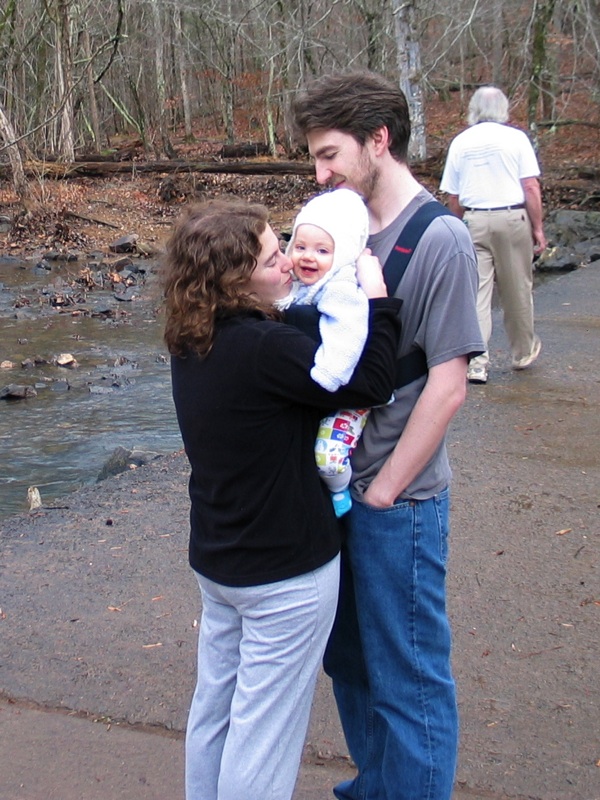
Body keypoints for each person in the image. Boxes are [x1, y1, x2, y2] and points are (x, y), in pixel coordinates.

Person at [162, 198, 401, 800]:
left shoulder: (193, 336)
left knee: (215, 708)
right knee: (264, 731)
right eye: (274, 257)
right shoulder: (269, 349)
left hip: (219, 561)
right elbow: (370, 382)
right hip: (285, 571)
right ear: (237, 279)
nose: (290, 264)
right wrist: (376, 303)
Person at [293, 71, 485, 800]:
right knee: (348, 662)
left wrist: (382, 495)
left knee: (408, 676)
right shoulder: (339, 231)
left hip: (393, 504)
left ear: (379, 140)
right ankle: (376, 786)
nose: (320, 173)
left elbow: (448, 385)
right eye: (314, 159)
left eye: (330, 154)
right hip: (332, 495)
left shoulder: (440, 239)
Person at [440, 85, 547, 384]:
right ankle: (523, 352)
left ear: (473, 108)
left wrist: (456, 225)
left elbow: (454, 197)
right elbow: (530, 187)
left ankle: (477, 361)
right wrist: (537, 228)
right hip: (512, 218)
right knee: (517, 290)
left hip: (474, 221)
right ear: (503, 109)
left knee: (477, 293)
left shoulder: (460, 142)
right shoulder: (516, 139)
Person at [278, 187, 374, 517]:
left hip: (345, 390)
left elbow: (348, 331)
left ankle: (339, 491)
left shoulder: (341, 287)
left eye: (322, 250)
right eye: (300, 247)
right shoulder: (302, 284)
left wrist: (329, 373)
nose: (307, 256)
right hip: (323, 391)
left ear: (343, 254)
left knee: (328, 459)